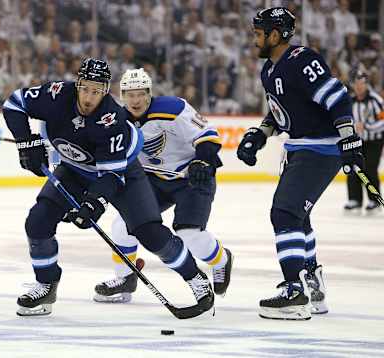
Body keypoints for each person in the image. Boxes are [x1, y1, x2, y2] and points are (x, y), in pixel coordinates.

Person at [2, 58, 214, 316]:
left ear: (106, 90)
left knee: (150, 233)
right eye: (85, 89)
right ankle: (46, 285)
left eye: (97, 91)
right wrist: (25, 143)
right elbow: (14, 103)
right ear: (77, 83)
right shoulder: (56, 94)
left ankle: (195, 278)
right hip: (74, 169)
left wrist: (93, 203)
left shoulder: (111, 120)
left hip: (122, 173)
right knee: (38, 221)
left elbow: (111, 177)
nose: (90, 98)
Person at [237, 7, 364, 320]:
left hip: (319, 149)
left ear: (276, 34)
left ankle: (294, 291)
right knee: (298, 216)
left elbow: (336, 96)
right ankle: (311, 281)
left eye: (259, 33)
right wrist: (260, 133)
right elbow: (280, 112)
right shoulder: (269, 70)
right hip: (298, 149)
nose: (254, 39)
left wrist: (348, 137)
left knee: (284, 212)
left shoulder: (302, 60)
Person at [93, 68, 234, 303]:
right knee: (123, 225)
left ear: (149, 93)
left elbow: (208, 135)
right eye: (129, 94)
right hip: (154, 179)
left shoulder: (173, 108)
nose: (135, 100)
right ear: (122, 96)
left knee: (189, 234)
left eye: (140, 94)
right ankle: (126, 277)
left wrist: (202, 160)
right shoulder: (118, 119)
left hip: (191, 177)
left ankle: (221, 260)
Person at [344, 70, 384, 215]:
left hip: (374, 141)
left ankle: (374, 200)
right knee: (354, 168)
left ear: (366, 85)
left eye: (362, 84)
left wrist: (366, 126)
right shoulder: (350, 101)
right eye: (356, 84)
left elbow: (383, 121)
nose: (359, 86)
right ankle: (355, 199)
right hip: (357, 141)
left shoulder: (376, 101)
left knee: (370, 169)